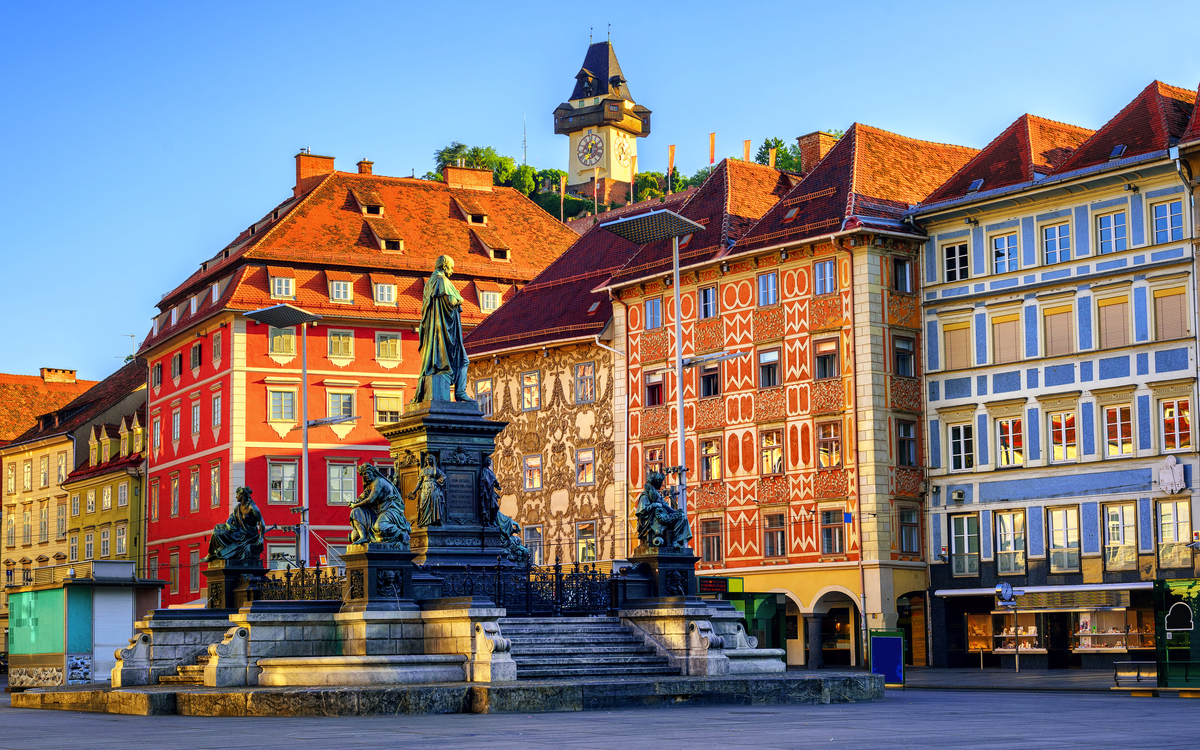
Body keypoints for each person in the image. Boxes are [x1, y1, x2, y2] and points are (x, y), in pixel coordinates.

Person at [411, 255, 474, 404]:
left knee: (459, 362)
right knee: (464, 360)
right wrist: (460, 298)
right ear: (445, 266)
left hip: (436, 333)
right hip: (447, 333)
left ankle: (460, 393)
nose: (452, 271)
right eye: (451, 267)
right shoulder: (442, 281)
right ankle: (460, 392)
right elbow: (451, 301)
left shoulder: (429, 283)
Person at [349, 463, 411, 547]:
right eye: (364, 474)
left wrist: (354, 505)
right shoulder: (369, 485)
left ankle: (401, 531)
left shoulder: (378, 481)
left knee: (379, 527)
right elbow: (364, 496)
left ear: (372, 472)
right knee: (355, 514)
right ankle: (364, 537)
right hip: (376, 511)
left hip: (389, 509)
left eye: (368, 472)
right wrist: (357, 502)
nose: (366, 475)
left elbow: (370, 500)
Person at [203, 487, 267, 563]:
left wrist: (261, 538)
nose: (236, 496)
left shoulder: (252, 507)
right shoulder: (238, 507)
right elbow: (231, 518)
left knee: (215, 533)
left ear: (242, 495)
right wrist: (228, 524)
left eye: (237, 494)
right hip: (237, 531)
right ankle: (211, 554)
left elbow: (261, 522)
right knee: (217, 527)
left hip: (246, 535)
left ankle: (211, 555)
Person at [635, 469, 692, 549]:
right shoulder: (645, 495)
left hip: (662, 516)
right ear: (656, 482)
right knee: (678, 518)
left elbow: (665, 505)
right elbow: (642, 511)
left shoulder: (657, 494)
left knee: (682, 517)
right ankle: (673, 541)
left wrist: (675, 512)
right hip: (651, 521)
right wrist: (654, 505)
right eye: (660, 482)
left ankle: (676, 541)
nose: (661, 484)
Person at [411, 454, 447, 527]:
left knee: (433, 504)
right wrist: (414, 491)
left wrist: (437, 481)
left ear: (433, 460)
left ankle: (433, 521)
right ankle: (424, 521)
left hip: (433, 488)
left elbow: (443, 476)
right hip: (424, 488)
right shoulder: (423, 470)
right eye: (427, 460)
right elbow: (419, 481)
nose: (428, 461)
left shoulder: (435, 469)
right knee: (422, 505)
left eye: (430, 460)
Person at [478, 455, 502, 526]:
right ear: (486, 462)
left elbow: (494, 480)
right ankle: (489, 521)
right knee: (489, 507)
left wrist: (496, 485)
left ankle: (492, 521)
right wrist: (494, 483)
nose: (489, 462)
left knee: (495, 507)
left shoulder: (488, 471)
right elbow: (485, 480)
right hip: (487, 492)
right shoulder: (485, 471)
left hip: (491, 492)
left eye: (490, 461)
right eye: (488, 461)